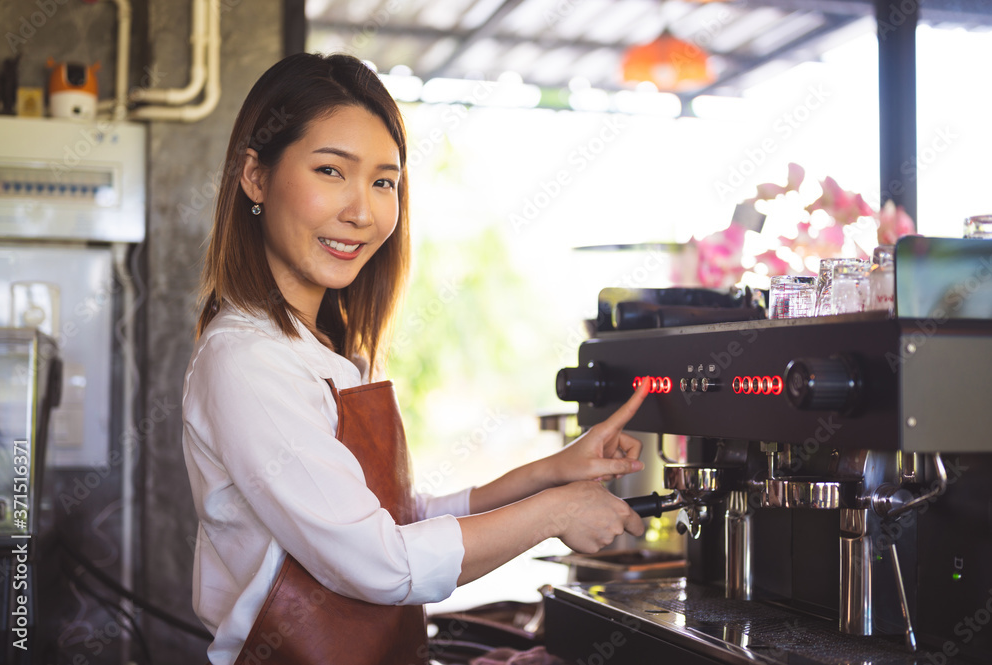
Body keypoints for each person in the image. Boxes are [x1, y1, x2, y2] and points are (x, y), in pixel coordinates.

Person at [182, 52, 650, 665]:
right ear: (255, 177)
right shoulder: (247, 360)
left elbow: (400, 519)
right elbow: (380, 562)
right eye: (330, 170)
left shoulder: (321, 347)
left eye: (384, 181)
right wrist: (554, 512)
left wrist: (552, 472)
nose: (363, 212)